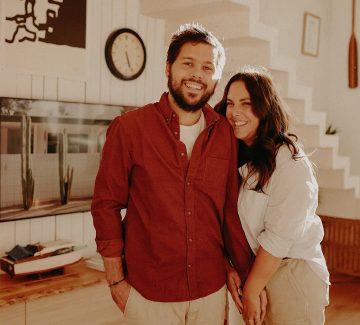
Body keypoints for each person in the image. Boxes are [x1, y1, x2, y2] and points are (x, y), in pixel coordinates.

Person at [91, 23, 255, 325]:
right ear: (169, 68)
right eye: (188, 63)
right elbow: (106, 205)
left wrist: (242, 273)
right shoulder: (128, 129)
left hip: (211, 291)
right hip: (149, 296)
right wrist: (115, 281)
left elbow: (228, 213)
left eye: (207, 67)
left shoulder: (224, 134)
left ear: (216, 79)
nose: (197, 74)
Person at [215, 66, 330, 325]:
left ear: (265, 107)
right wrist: (231, 268)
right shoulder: (233, 156)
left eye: (247, 103)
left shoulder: (289, 161)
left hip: (291, 272)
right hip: (251, 269)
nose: (235, 112)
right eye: (230, 103)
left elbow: (279, 238)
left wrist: (253, 291)